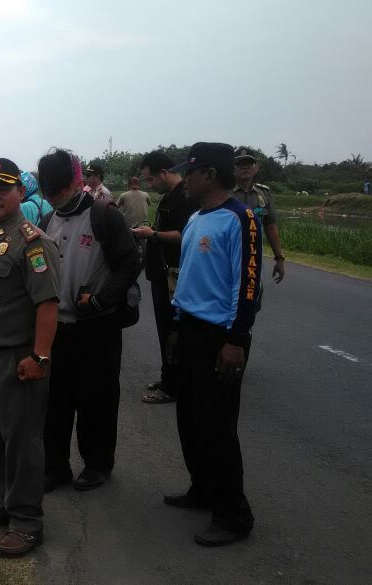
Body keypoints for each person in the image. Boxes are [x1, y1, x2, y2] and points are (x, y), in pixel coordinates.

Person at [0, 157, 60, 558]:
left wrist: (40, 357)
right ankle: (1, 502)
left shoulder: (33, 242)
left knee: (22, 444)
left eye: (3, 188)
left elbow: (48, 305)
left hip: (17, 360)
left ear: (21, 192)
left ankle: (26, 522)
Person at [165, 142, 259, 547]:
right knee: (190, 416)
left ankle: (233, 514)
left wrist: (236, 339)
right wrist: (175, 324)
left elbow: (248, 285)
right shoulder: (196, 218)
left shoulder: (240, 218)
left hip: (219, 336)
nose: (185, 179)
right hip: (188, 330)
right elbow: (188, 276)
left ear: (210, 175)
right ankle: (202, 489)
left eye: (191, 172)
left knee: (218, 425)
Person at [38, 149, 141, 493]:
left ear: (76, 182)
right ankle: (55, 467)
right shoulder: (48, 219)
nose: (54, 198)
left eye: (59, 190)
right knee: (54, 402)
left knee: (96, 399)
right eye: (48, 192)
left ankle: (97, 465)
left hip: (97, 326)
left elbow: (129, 263)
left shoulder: (104, 216)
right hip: (57, 327)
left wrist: (101, 299)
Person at [133, 152, 200, 404]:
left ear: (164, 173)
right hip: (163, 274)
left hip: (175, 275)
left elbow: (185, 235)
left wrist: (153, 234)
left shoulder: (184, 197)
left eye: (150, 179)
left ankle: (174, 385)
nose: (149, 185)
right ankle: (168, 376)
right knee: (165, 329)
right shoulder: (171, 196)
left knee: (173, 330)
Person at [232, 148, 286, 283]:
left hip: (253, 256)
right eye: (240, 163)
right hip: (227, 255)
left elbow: (270, 226)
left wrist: (279, 258)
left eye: (249, 163)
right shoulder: (223, 193)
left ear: (256, 167)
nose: (245, 167)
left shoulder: (264, 193)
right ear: (232, 168)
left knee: (253, 294)